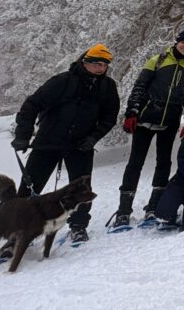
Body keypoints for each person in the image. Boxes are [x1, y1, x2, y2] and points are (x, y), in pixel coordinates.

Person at [9, 43, 120, 248]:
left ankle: (78, 226)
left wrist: (93, 138)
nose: (100, 68)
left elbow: (109, 118)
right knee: (29, 187)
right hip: (47, 143)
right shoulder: (62, 82)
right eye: (95, 63)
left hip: (80, 146)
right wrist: (23, 134)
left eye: (104, 64)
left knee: (83, 189)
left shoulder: (107, 87)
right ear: (84, 62)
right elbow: (32, 104)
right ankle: (16, 233)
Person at [112, 29, 184, 228]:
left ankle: (153, 207)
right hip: (146, 118)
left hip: (169, 121)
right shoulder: (157, 60)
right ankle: (124, 211)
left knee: (164, 163)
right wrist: (132, 113)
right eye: (183, 42)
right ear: (176, 43)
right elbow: (140, 86)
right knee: (135, 162)